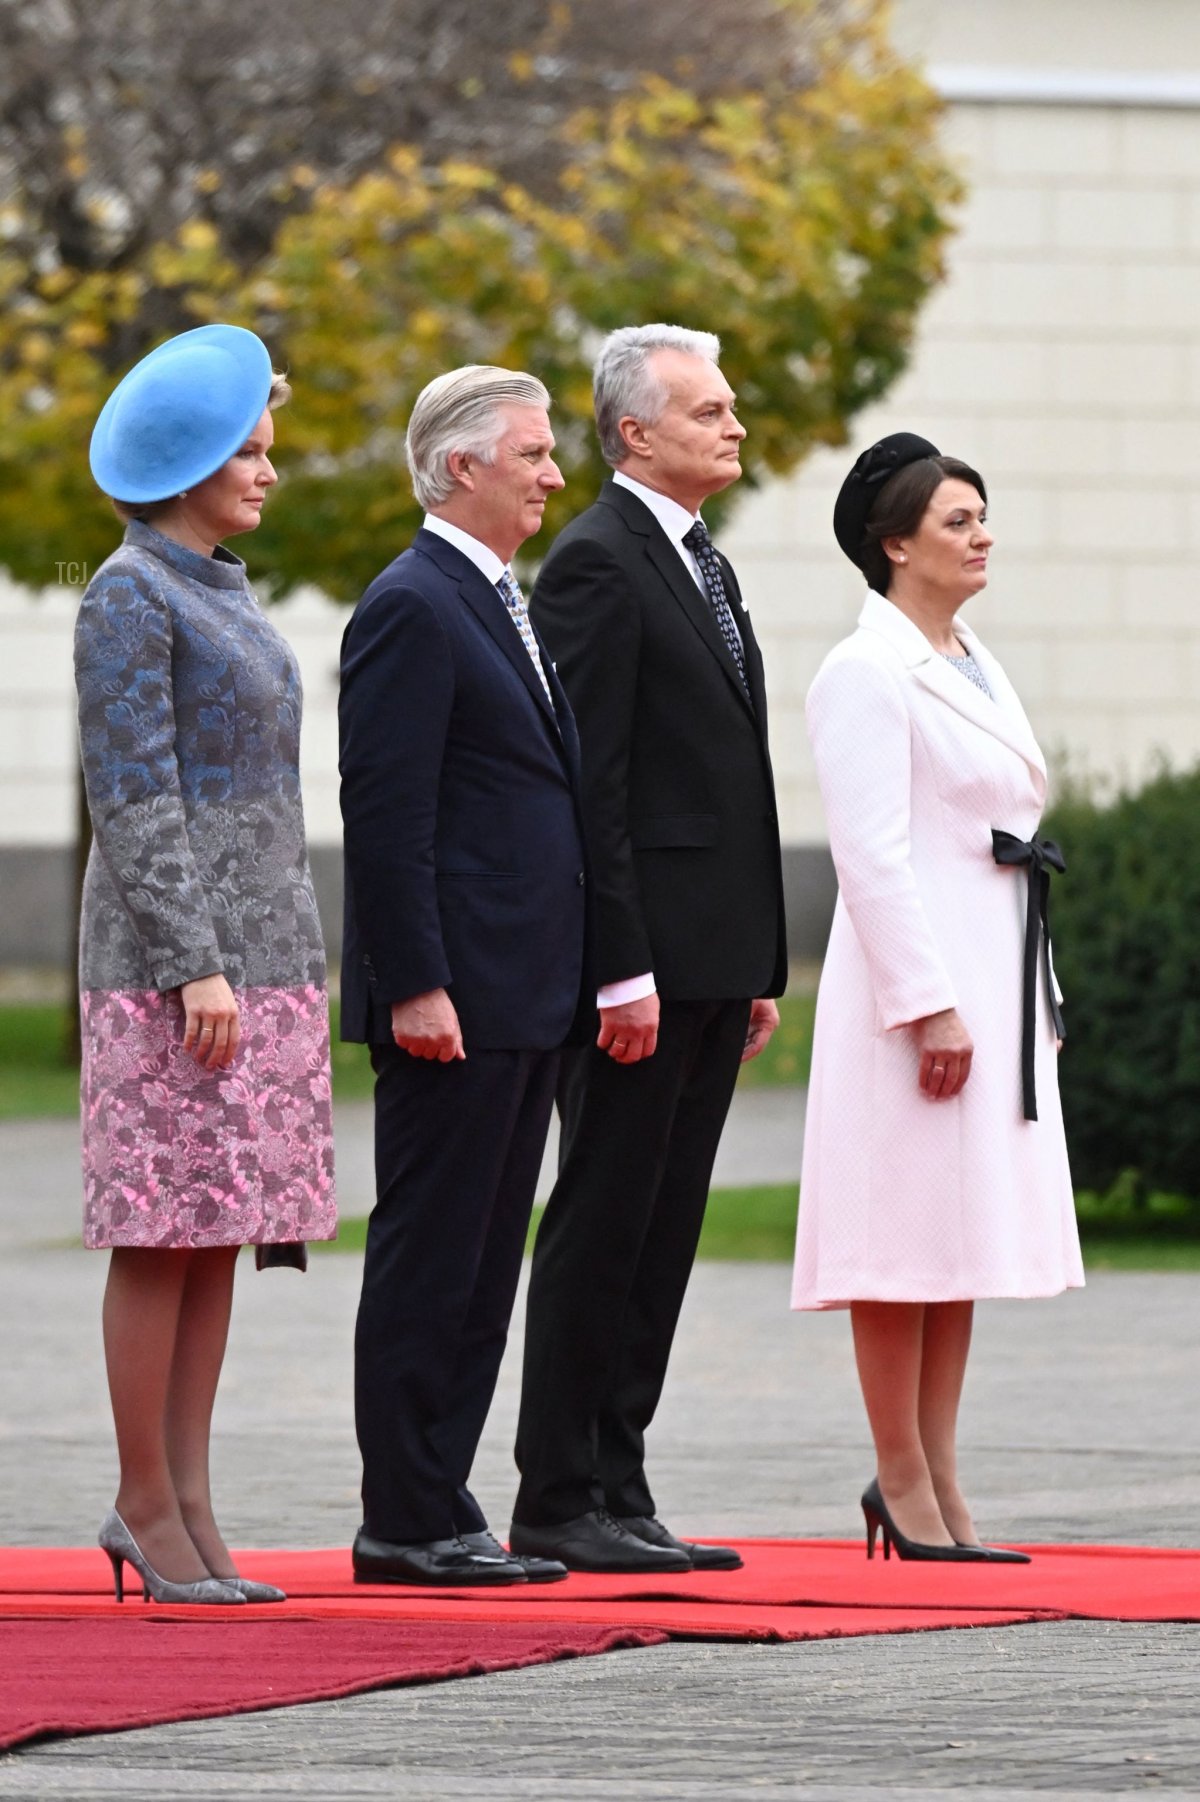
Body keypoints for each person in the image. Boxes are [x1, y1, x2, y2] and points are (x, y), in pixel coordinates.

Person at [510, 324, 787, 1574]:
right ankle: (557, 1491)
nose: (735, 424)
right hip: (643, 972)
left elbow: (727, 774)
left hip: (713, 966)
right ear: (636, 433)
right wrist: (622, 967)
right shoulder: (595, 564)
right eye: (710, 411)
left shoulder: (698, 558)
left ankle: (619, 1478)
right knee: (605, 1219)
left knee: (665, 1225)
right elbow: (595, 790)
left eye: (732, 406)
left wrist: (753, 966)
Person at [78, 323, 337, 1606]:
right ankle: (143, 1500)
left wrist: (266, 959)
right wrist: (192, 964)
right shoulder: (127, 590)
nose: (266, 469)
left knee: (218, 1234)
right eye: (246, 450)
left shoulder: (217, 585)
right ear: (184, 462)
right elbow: (132, 794)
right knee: (160, 1232)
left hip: (261, 961)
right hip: (172, 974)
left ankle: (192, 1502)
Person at [793, 432, 1084, 1563]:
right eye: (958, 520)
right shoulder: (863, 671)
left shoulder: (973, 655)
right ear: (896, 541)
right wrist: (929, 1005)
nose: (981, 536)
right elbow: (871, 853)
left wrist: (1032, 1001)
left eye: (983, 515)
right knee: (897, 1236)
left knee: (954, 1241)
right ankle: (901, 1480)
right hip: (915, 987)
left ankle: (940, 1474)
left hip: (994, 959)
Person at [339, 365, 590, 1588]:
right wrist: (414, 982)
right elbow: (388, 816)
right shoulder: (412, 602)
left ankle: (443, 1501)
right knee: (434, 1254)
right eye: (534, 454)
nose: (553, 474)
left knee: (487, 1262)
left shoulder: (497, 597)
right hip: (455, 997)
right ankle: (403, 1513)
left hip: (524, 990)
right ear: (460, 468)